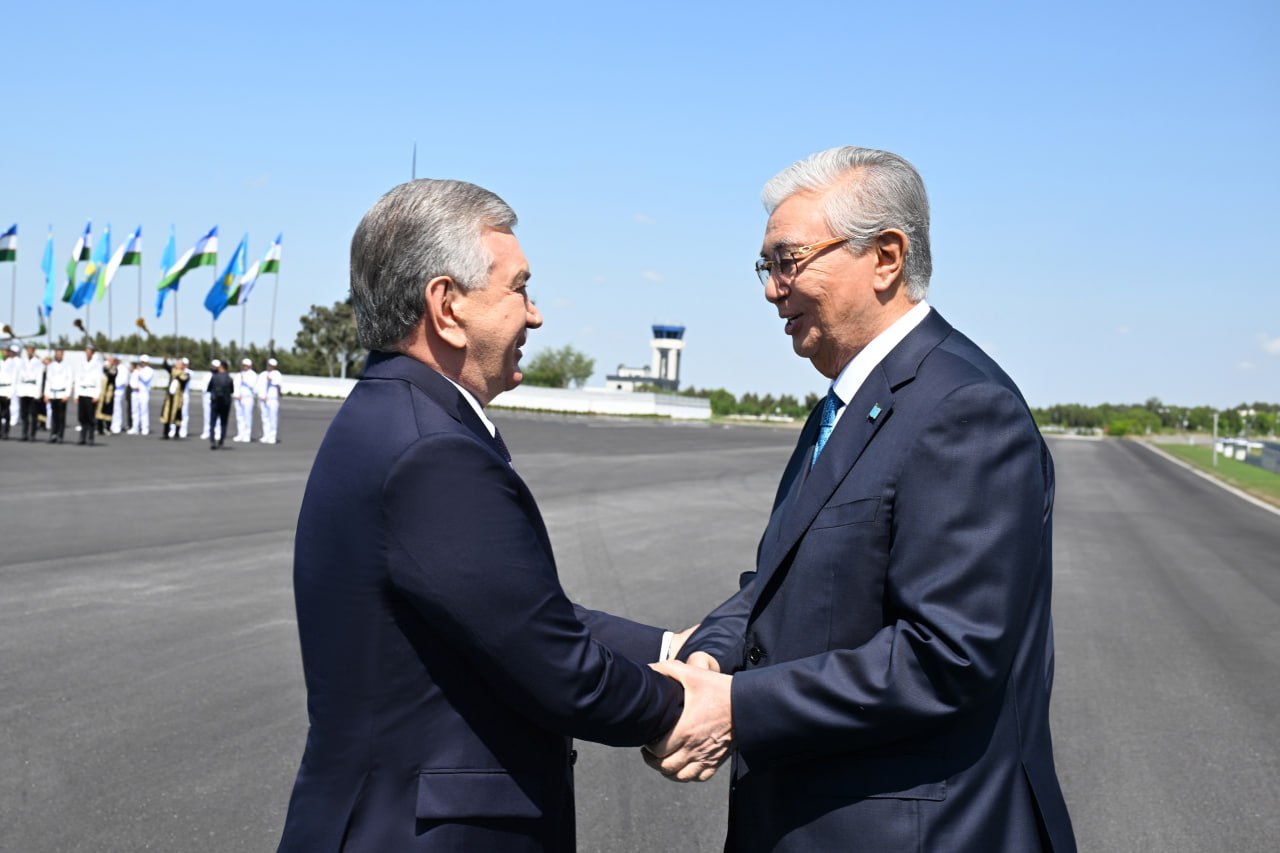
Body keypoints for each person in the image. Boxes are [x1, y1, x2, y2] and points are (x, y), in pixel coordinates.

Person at [651, 147, 1077, 853]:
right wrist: (711, 656)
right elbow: (784, 584)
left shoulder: (963, 408)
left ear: (885, 258)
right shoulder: (848, 405)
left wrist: (737, 706)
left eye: (789, 261)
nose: (772, 289)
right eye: (766, 266)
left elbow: (947, 657)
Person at [277, 179, 695, 853]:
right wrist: (685, 705)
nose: (535, 316)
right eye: (519, 289)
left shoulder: (388, 416)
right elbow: (553, 663)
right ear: (446, 307)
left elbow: (507, 611)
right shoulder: (432, 451)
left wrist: (670, 649)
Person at [74, 344, 102, 446]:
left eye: (89, 351)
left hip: (91, 392)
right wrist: (76, 394)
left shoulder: (97, 365)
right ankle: (82, 437)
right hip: (82, 391)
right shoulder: (81, 363)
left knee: (90, 417)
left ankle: (90, 438)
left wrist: (97, 395)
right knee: (82, 417)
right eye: (86, 350)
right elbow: (77, 379)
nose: (87, 352)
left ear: (93, 353)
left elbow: (99, 380)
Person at [43, 348, 72, 444]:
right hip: (53, 393)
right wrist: (46, 394)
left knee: (61, 416)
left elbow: (69, 380)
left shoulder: (67, 366)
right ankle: (53, 434)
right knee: (53, 415)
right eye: (57, 354)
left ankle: (60, 435)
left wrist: (67, 394)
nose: (58, 355)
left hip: (62, 394)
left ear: (62, 355)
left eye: (60, 354)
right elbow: (48, 380)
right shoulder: (51, 366)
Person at [16, 343, 43, 441]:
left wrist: (37, 393)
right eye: (28, 350)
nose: (29, 351)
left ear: (34, 351)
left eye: (31, 350)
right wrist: (18, 391)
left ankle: (32, 434)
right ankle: (24, 434)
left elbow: (39, 378)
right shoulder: (22, 361)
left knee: (33, 414)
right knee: (24, 414)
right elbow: (18, 376)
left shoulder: (38, 362)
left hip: (33, 390)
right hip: (23, 389)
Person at [159, 357, 190, 439]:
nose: (176, 364)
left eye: (178, 364)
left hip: (178, 398)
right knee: (167, 414)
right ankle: (166, 433)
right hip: (170, 398)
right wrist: (165, 360)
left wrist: (179, 373)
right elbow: (166, 366)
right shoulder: (173, 371)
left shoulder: (185, 374)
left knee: (177, 415)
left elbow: (185, 380)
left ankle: (177, 432)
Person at [206, 360, 233, 449]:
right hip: (226, 402)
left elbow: (209, 388)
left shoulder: (214, 377)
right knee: (223, 422)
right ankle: (221, 440)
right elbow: (232, 390)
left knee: (213, 422)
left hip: (215, 401)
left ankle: (212, 440)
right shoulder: (229, 378)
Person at [256, 357, 282, 443]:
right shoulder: (263, 374)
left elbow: (278, 384)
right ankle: (266, 435)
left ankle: (272, 436)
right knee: (265, 418)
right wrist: (261, 396)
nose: (270, 367)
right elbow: (259, 386)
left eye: (272, 366)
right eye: (269, 365)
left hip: (272, 399)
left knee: (273, 418)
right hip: (263, 399)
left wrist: (271, 379)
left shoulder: (277, 374)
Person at [233, 358, 256, 442]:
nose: (244, 367)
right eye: (243, 365)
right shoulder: (239, 374)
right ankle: (240, 434)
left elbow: (252, 385)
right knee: (239, 417)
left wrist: (244, 379)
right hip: (239, 398)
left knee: (247, 417)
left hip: (247, 397)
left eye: (246, 365)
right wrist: (236, 394)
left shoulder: (253, 375)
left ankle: (247, 435)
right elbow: (235, 385)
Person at [97, 355, 120, 435]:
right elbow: (104, 370)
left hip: (109, 394)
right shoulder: (104, 367)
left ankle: (107, 428)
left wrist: (110, 366)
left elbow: (111, 374)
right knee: (99, 410)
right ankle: (99, 428)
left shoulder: (114, 369)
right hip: (102, 392)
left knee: (108, 410)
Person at [0, 343, 18, 439]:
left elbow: (14, 379)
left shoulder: (12, 363)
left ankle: (6, 432)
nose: (4, 352)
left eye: (6, 351)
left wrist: (11, 393)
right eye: (3, 351)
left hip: (7, 389)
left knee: (6, 412)